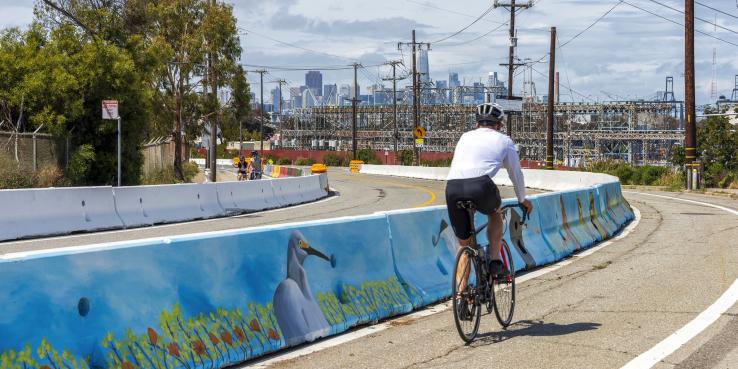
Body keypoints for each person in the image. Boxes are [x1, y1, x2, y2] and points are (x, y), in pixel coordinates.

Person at [445, 102, 533, 277]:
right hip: (480, 186)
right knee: (495, 213)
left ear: (477, 124)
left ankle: (461, 296)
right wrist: (522, 199)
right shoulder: (505, 141)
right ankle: (494, 261)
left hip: (452, 187)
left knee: (464, 245)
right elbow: (515, 173)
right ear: (499, 125)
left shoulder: (464, 137)